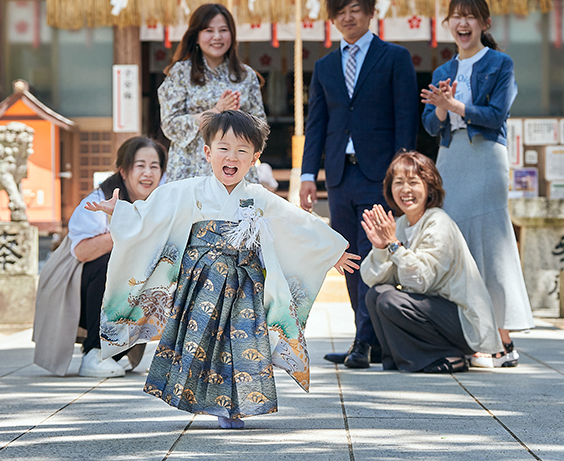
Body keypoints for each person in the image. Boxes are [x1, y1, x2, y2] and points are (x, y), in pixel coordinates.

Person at [87, 110, 360, 429]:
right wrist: (119, 212)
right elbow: (151, 214)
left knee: (242, 344)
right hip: (202, 280)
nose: (232, 157)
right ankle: (209, 401)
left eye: (242, 150)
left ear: (255, 157)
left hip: (245, 283)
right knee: (204, 344)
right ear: (207, 152)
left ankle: (232, 407)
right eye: (223, 148)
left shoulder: (258, 196)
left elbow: (298, 222)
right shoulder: (187, 190)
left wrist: (331, 249)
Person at [300, 0, 419, 369]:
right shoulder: (325, 65)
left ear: (370, 13)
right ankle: (364, 337)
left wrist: (402, 173)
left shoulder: (394, 58)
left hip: (379, 174)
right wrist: (306, 176)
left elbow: (406, 117)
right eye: (341, 12)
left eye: (356, 9)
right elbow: (317, 124)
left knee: (375, 252)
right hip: (338, 175)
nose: (348, 17)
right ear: (333, 19)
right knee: (348, 256)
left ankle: (368, 341)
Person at [420, 0, 535, 368]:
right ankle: (469, 337)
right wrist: (440, 110)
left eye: (470, 16)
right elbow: (429, 126)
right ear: (448, 24)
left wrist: (455, 107)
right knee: (457, 247)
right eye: (456, 16)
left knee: (490, 246)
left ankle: (502, 337)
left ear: (484, 23)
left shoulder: (501, 63)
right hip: (451, 161)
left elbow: (496, 114)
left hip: (485, 159)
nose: (463, 23)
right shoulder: (442, 72)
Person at [32, 136, 166, 377]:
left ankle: (116, 352)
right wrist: (124, 227)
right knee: (108, 263)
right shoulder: (97, 202)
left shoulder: (157, 204)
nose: (148, 173)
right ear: (123, 171)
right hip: (74, 289)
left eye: (154, 166)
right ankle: (93, 353)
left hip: (116, 292)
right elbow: (83, 252)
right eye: (140, 165)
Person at [359, 152, 504, 373]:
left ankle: (446, 356)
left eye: (413, 182)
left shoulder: (438, 222)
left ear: (429, 188)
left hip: (461, 322)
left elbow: (419, 282)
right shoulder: (399, 224)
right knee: (376, 294)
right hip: (431, 313)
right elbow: (372, 280)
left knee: (390, 299)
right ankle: (399, 360)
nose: (405, 190)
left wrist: (393, 245)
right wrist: (381, 248)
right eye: (398, 183)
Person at [159, 3, 266, 183]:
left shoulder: (246, 75)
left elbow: (261, 128)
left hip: (235, 170)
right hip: (190, 170)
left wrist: (238, 118)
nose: (217, 37)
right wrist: (215, 113)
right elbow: (170, 125)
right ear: (197, 36)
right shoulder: (180, 73)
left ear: (232, 35)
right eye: (209, 30)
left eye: (223, 30)